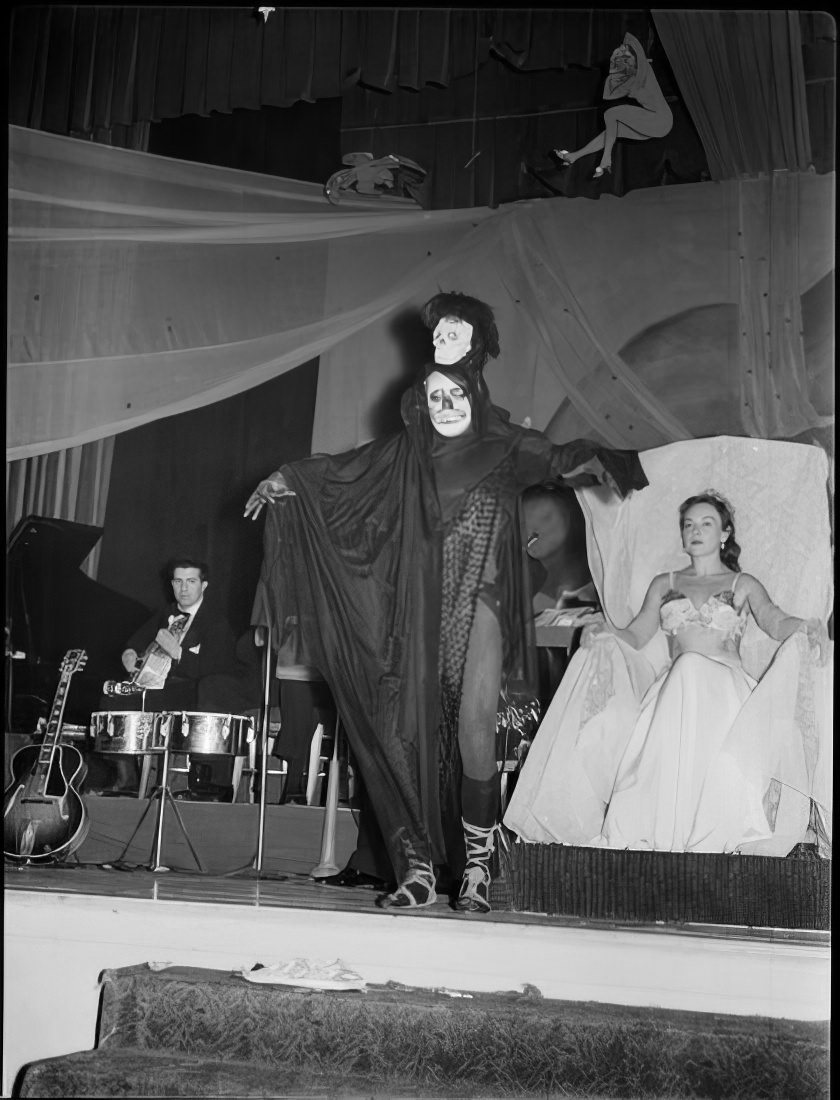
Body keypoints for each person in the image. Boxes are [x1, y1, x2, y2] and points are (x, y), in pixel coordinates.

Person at [245, 291, 648, 911]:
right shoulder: (405, 452)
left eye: (454, 392)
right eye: (433, 395)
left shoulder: (509, 445)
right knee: (396, 733)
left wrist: (609, 455)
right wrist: (286, 479)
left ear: (475, 384)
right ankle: (416, 869)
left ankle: (478, 869)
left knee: (472, 734)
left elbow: (565, 456)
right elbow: (341, 472)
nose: (444, 403)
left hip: (479, 606)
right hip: (412, 607)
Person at [504, 490, 828, 854]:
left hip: (726, 691)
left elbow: (774, 620)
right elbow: (637, 635)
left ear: (724, 533)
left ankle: (716, 832)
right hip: (674, 692)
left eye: (707, 523)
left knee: (693, 671)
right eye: (689, 524)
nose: (696, 530)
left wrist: (805, 627)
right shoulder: (665, 583)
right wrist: (603, 631)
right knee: (684, 669)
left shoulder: (742, 583)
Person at [94, 559, 238, 796]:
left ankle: (203, 784)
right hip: (159, 688)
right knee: (113, 701)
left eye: (191, 581)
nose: (184, 588)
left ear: (203, 585)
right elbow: (135, 644)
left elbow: (218, 669)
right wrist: (129, 655)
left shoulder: (216, 620)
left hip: (194, 690)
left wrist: (178, 652)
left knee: (204, 696)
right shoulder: (166, 612)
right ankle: (126, 778)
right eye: (178, 581)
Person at [552, 32, 672, 179]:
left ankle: (606, 158)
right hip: (659, 123)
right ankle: (574, 157)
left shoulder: (639, 75)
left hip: (660, 120)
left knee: (611, 114)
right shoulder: (635, 74)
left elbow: (633, 55)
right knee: (612, 131)